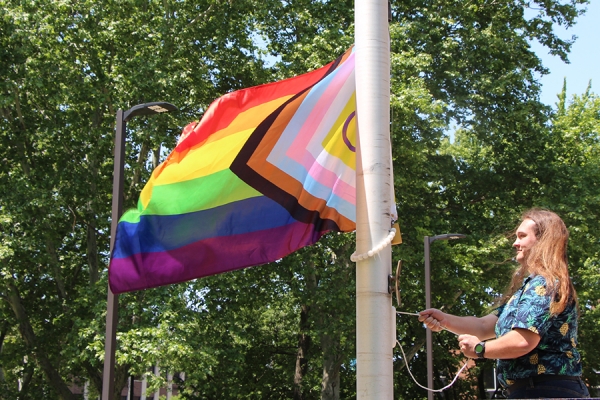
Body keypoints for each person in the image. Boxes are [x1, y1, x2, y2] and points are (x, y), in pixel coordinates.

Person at [419, 208, 589, 399]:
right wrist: (444, 320)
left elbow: (522, 341)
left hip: (547, 390)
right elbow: (483, 326)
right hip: (536, 390)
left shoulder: (545, 284)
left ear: (543, 241)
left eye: (522, 236)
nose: (515, 243)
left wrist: (480, 349)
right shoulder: (529, 289)